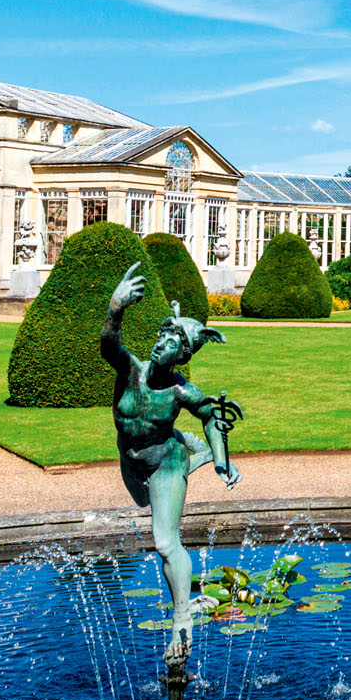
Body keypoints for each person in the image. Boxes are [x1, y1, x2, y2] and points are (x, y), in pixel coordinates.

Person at [102, 261, 243, 662]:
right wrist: (116, 307)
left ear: (182, 353)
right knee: (146, 514)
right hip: (130, 459)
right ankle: (185, 606)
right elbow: (108, 344)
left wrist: (219, 461)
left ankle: (182, 622)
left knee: (165, 541)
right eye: (160, 337)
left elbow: (212, 417)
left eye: (169, 341)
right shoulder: (130, 371)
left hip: (166, 460)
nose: (159, 344)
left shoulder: (183, 391)